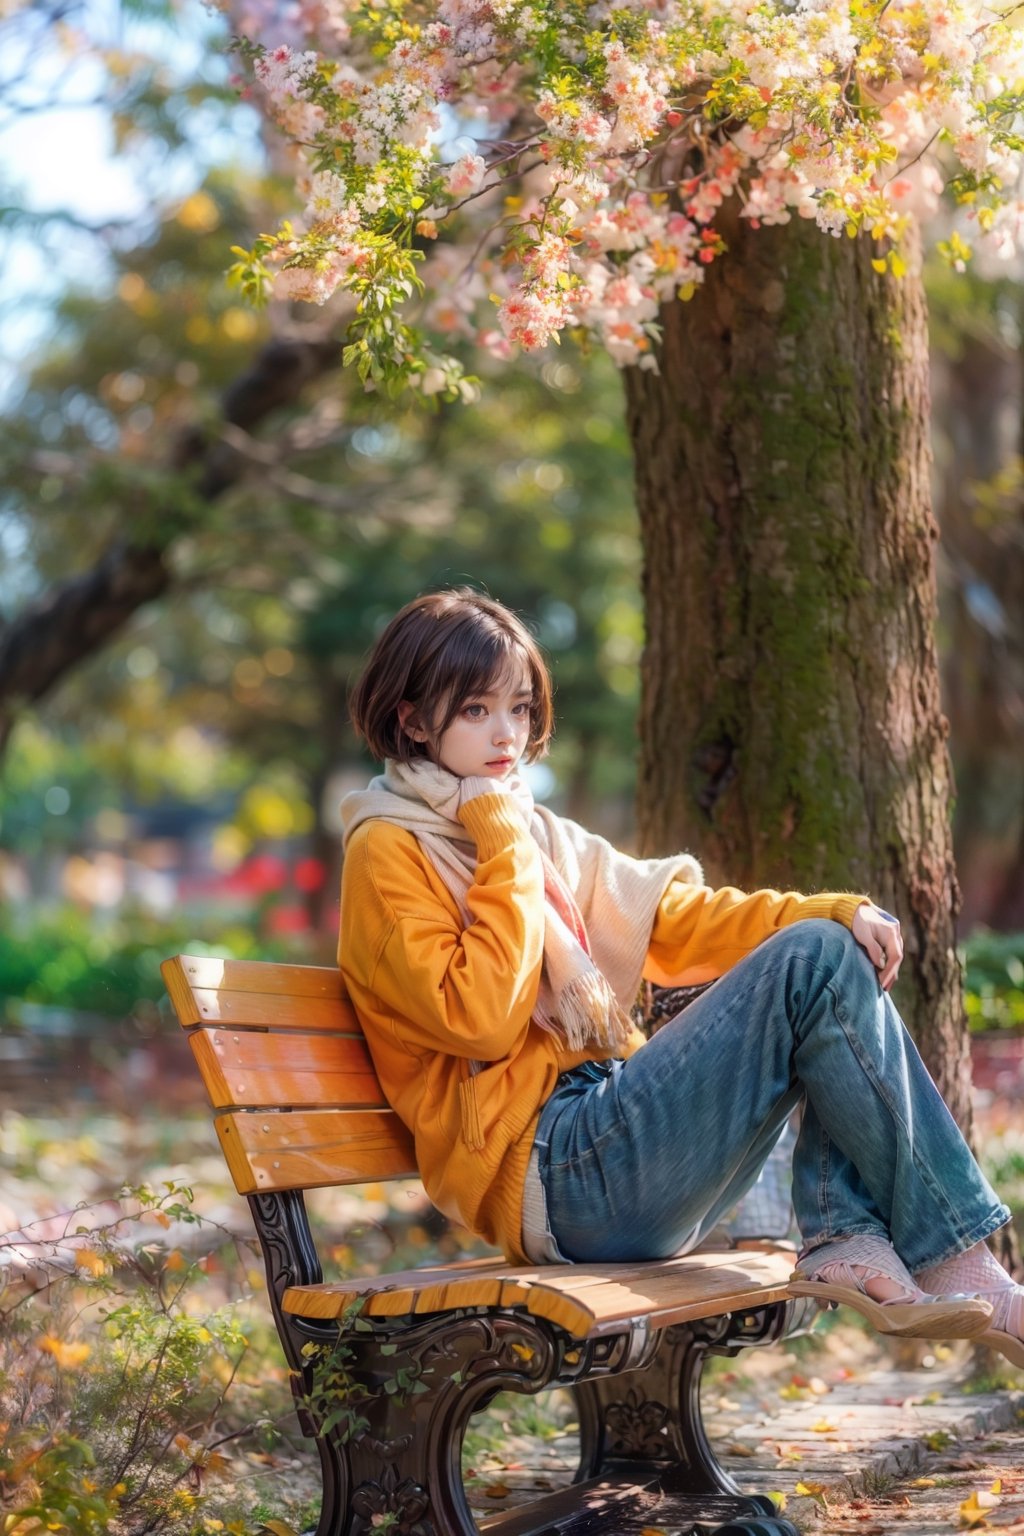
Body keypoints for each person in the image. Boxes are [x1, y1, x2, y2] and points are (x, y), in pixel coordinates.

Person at [338, 588, 1024, 1365]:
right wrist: (501, 850)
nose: (507, 734)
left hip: (608, 1142)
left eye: (520, 709)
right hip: (553, 1180)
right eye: (475, 711)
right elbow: (482, 1020)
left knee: (832, 947)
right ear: (411, 719)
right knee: (817, 959)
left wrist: (833, 908)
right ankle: (948, 1260)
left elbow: (679, 917)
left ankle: (853, 1237)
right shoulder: (392, 850)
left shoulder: (535, 834)